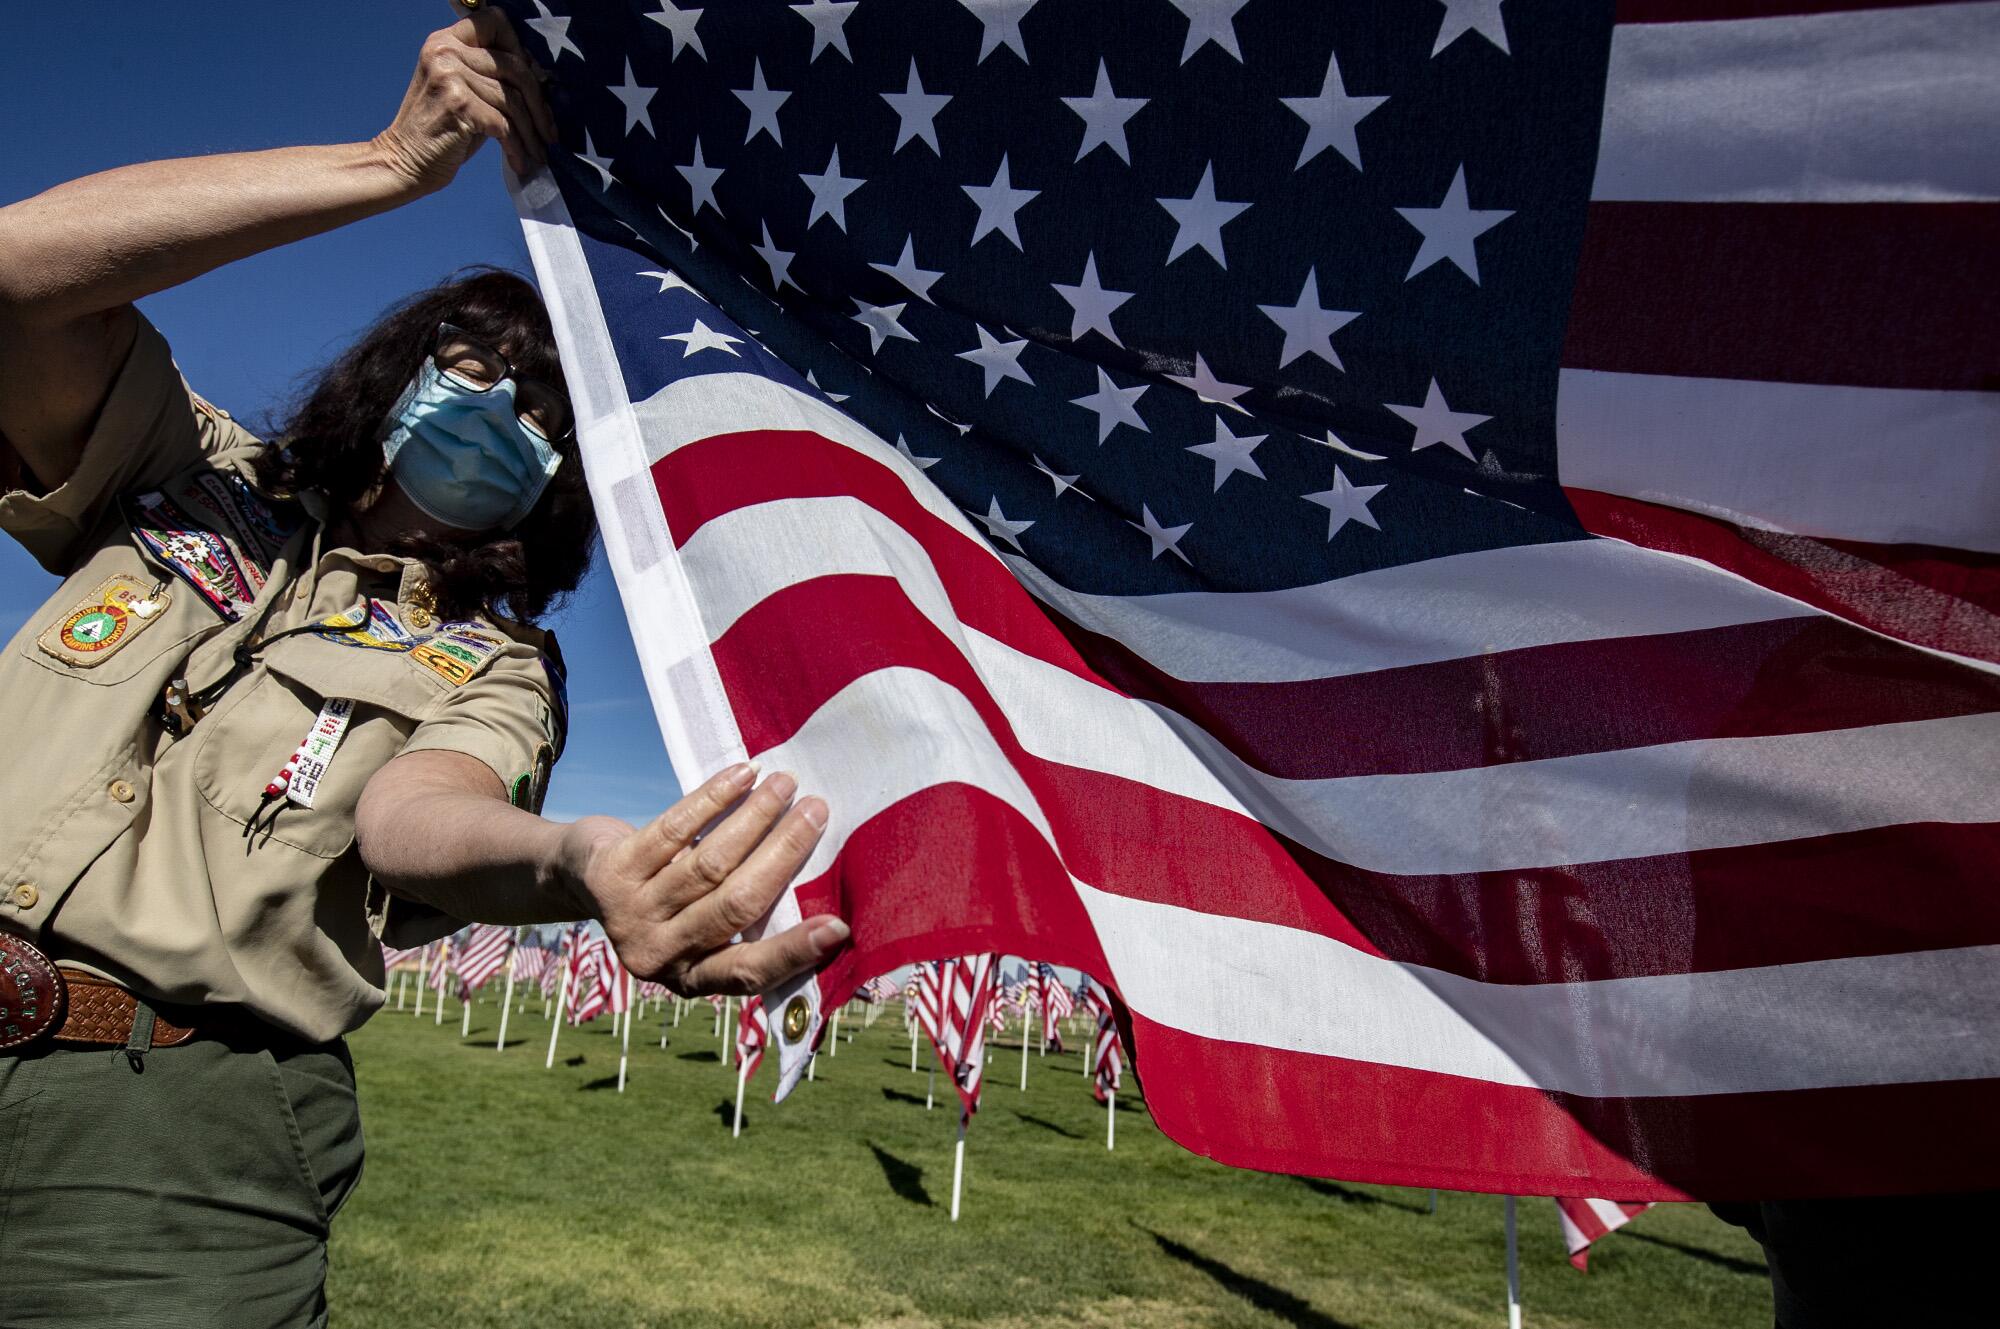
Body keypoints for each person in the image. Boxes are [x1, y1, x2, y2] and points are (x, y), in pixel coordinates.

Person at [0, 9, 847, 1325]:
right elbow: (19, 275)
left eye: (541, 416)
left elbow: (419, 816)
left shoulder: (497, 663)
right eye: (476, 373)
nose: (497, 415)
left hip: (155, 1141)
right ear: (399, 379)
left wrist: (576, 861)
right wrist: (388, 164)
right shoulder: (186, 470)